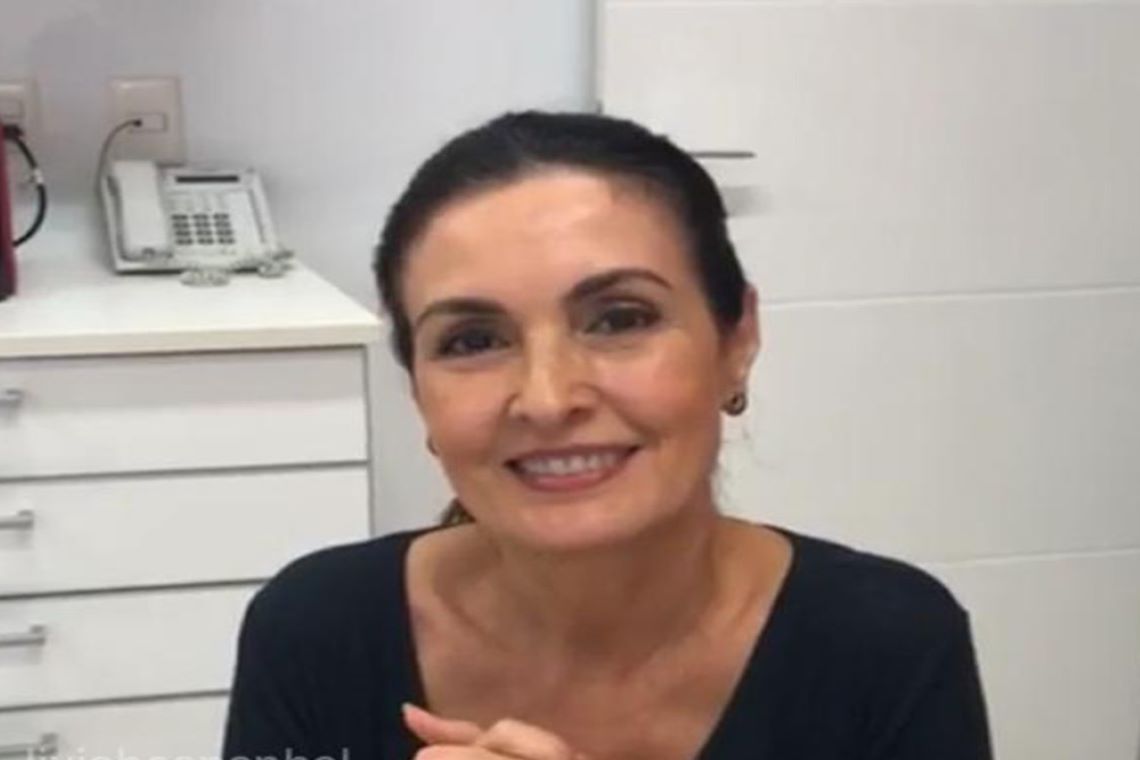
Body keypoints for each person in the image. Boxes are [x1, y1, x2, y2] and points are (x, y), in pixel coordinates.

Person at [221, 111, 992, 760]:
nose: (548, 399)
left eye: (620, 319)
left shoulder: (884, 645)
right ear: (418, 392)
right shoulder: (316, 631)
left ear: (736, 340)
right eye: (473, 340)